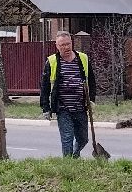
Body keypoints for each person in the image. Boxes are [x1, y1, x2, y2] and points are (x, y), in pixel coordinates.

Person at [39, 29, 96, 157]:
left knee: (83, 139)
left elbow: (91, 80)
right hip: (63, 107)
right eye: (62, 45)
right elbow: (45, 87)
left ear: (71, 42)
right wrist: (45, 108)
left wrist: (91, 99)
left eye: (68, 44)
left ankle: (74, 156)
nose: (66, 47)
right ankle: (68, 165)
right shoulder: (52, 62)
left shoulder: (83, 58)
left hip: (81, 107)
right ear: (57, 46)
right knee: (67, 138)